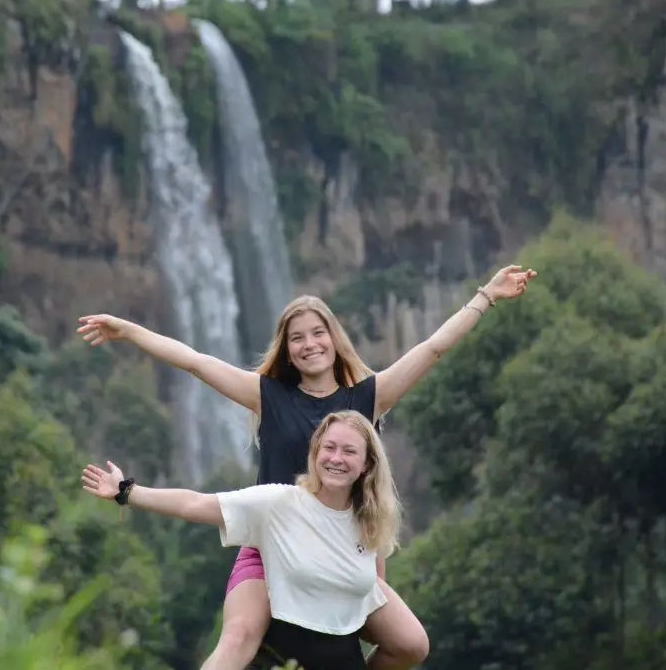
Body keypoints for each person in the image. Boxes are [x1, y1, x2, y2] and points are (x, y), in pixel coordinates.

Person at [78, 263, 537, 669]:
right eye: (296, 338)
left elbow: (433, 348)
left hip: (345, 546)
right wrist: (129, 331)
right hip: (273, 542)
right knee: (238, 637)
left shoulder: (368, 396)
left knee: (412, 645)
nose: (309, 344)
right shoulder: (268, 395)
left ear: (335, 340)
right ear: (286, 348)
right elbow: (197, 363)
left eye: (318, 333)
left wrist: (486, 297)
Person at [81, 410, 404, 670]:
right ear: (315, 452)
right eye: (329, 447)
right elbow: (195, 503)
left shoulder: (371, 520)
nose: (336, 458)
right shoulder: (279, 503)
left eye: (349, 451)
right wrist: (127, 491)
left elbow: (373, 592)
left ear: (366, 466)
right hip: (283, 655)